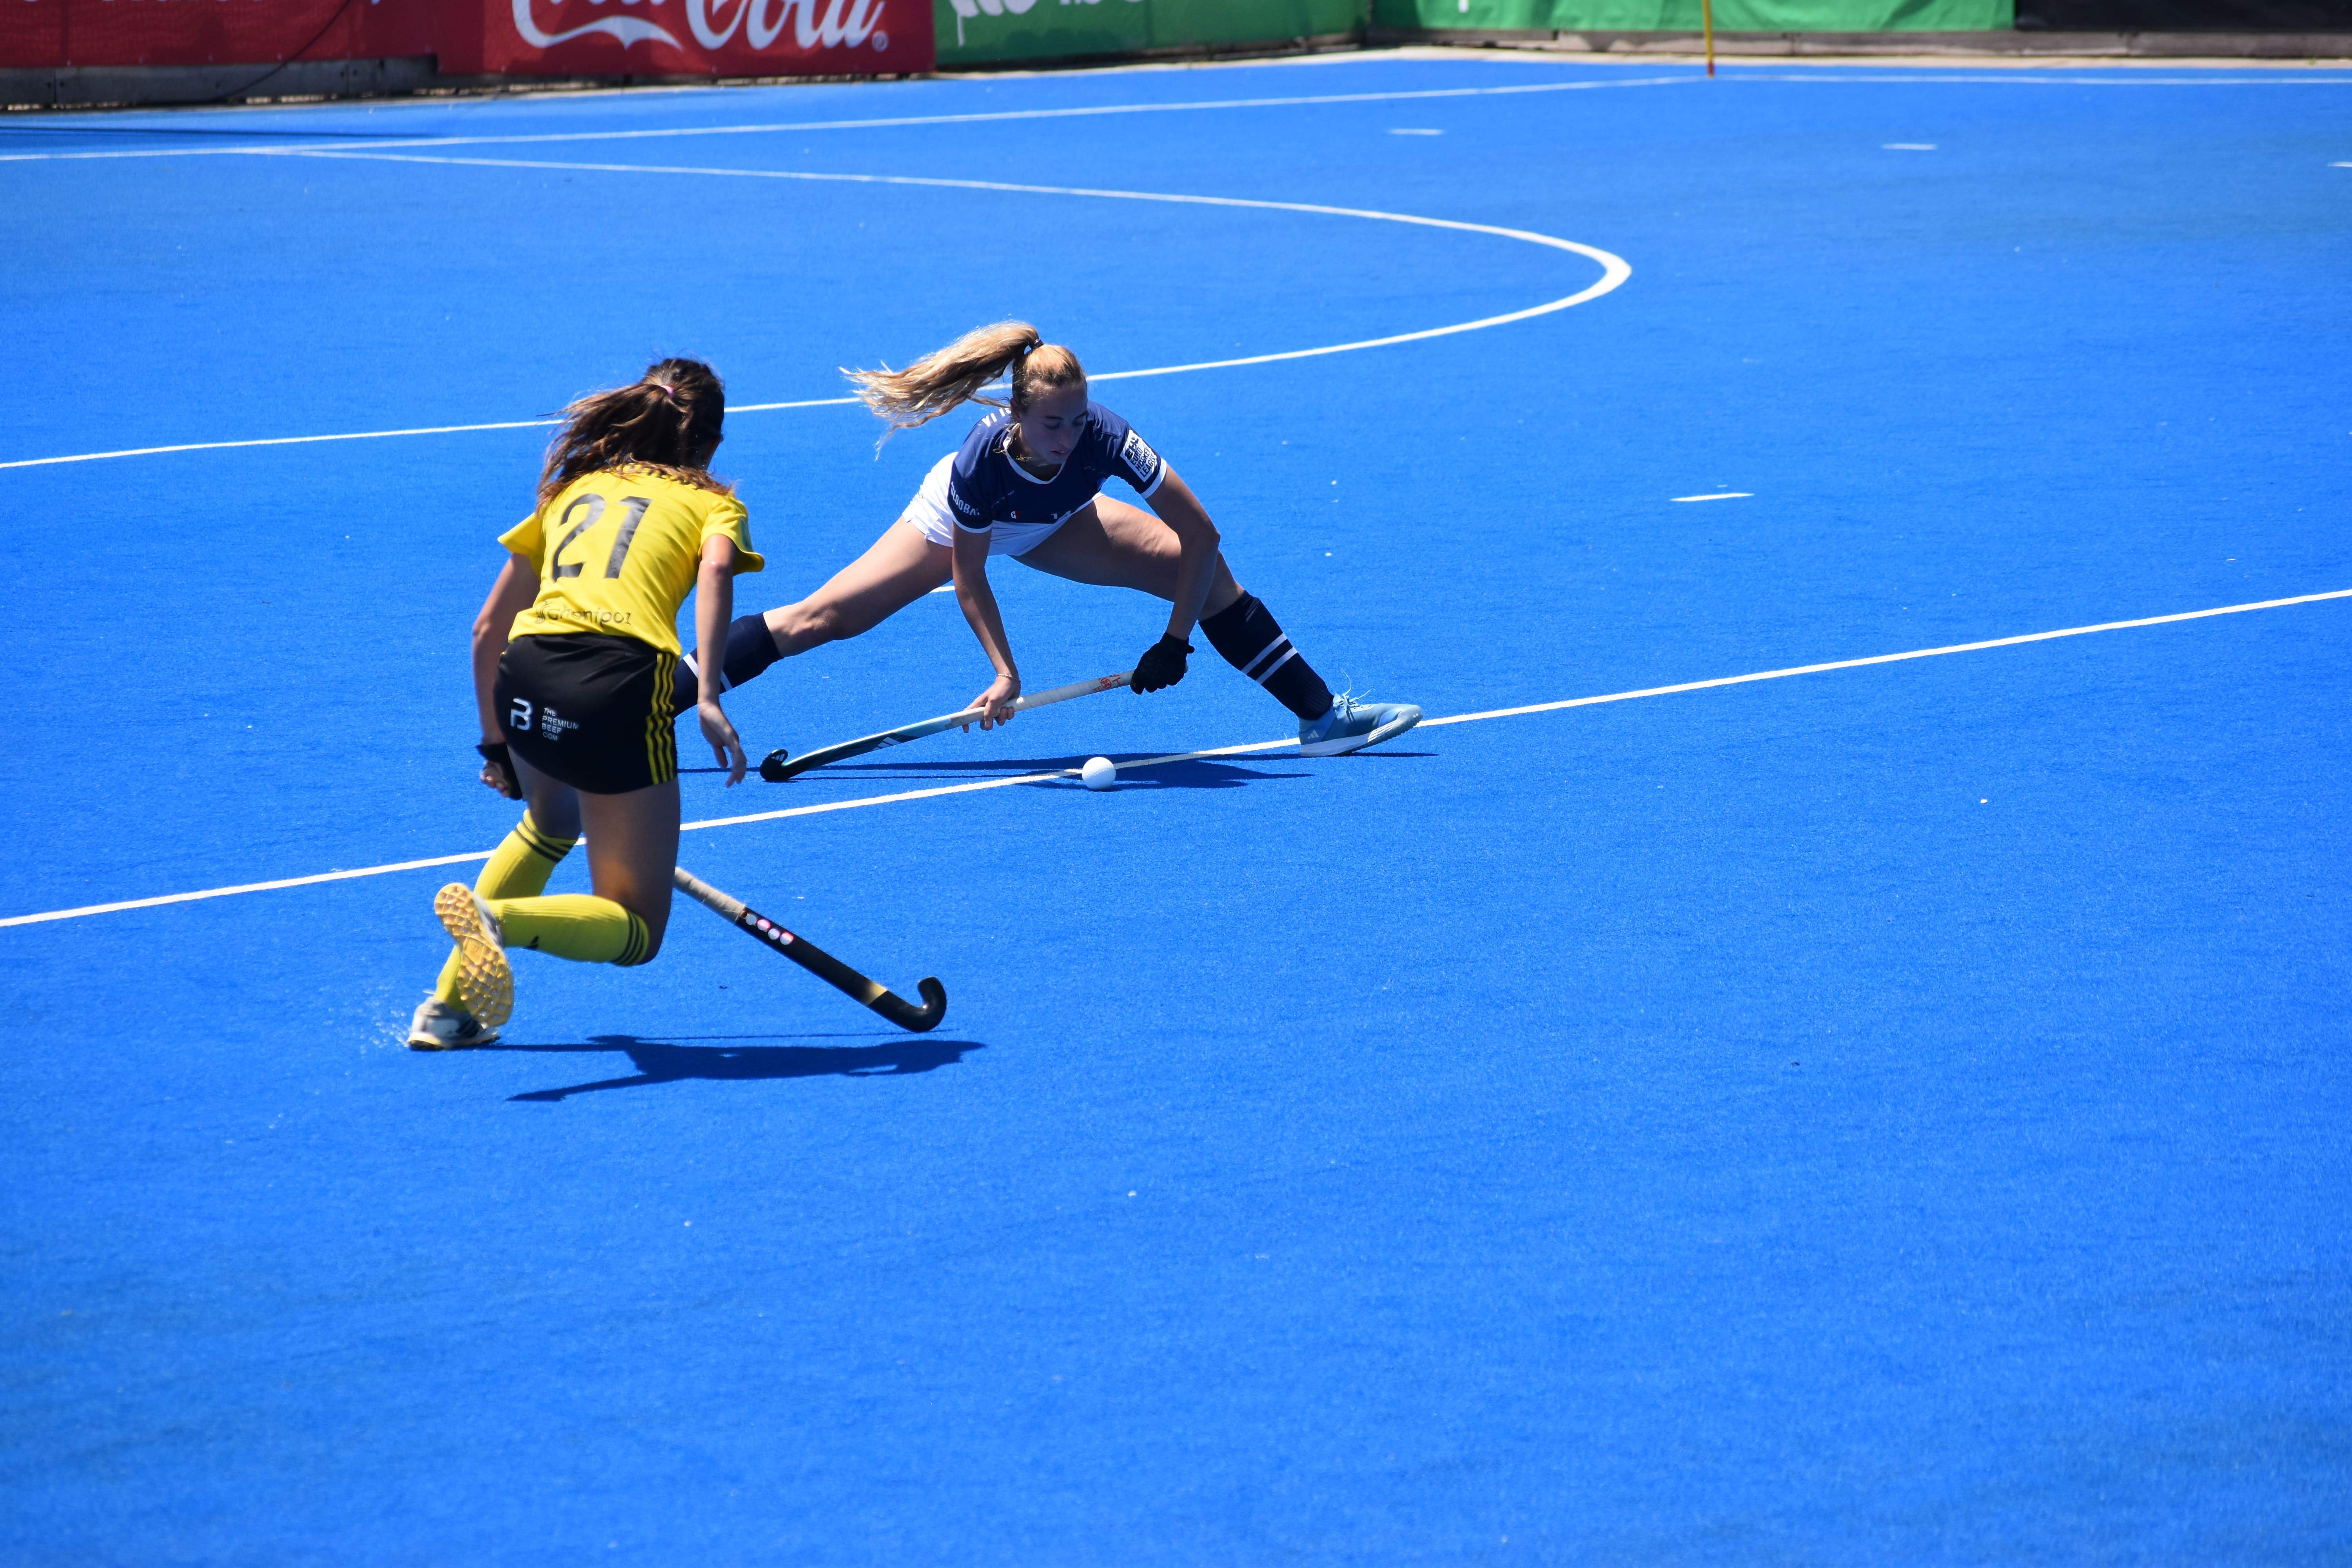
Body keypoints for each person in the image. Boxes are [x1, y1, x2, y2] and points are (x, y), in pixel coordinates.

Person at [673, 321, 1418, 754]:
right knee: (819, 621)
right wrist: (1006, 674)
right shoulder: (978, 463)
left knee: (1208, 572)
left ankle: (1321, 718)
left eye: (1077, 421)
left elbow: (1202, 533)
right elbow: (969, 580)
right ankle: (650, 698)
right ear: (1018, 417)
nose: (1068, 437)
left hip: (1056, 523)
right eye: (1052, 425)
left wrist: (1176, 640)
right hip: (960, 526)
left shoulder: (1107, 439)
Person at [407, 359, 761, 1050]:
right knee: (635, 930)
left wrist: (496, 745)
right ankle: (500, 923)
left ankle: (447, 1012)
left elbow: (486, 630)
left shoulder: (574, 489)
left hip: (526, 669)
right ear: (710, 446)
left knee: (551, 823)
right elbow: (717, 567)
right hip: (617, 686)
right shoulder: (714, 502)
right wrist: (711, 691)